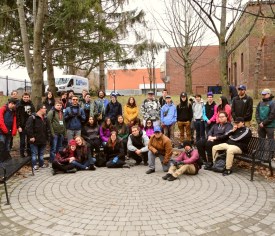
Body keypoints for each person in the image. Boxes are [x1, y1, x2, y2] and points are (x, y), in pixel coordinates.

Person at [25, 104, 51, 171]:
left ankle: (41, 164)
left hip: (43, 139)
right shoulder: (32, 117)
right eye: (44, 108)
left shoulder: (45, 118)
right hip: (34, 139)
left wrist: (48, 138)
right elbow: (28, 128)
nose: (46, 110)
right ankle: (34, 165)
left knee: (41, 153)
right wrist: (31, 137)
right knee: (34, 153)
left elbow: (48, 129)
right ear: (40, 109)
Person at [16, 92, 35, 157]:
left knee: (29, 141)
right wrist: (18, 126)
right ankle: (22, 154)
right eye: (24, 97)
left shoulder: (31, 104)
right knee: (22, 141)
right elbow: (17, 116)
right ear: (22, 97)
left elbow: (33, 114)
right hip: (22, 126)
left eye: (27, 97)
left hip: (29, 126)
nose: (26, 98)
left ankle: (29, 153)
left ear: (29, 98)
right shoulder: (19, 105)